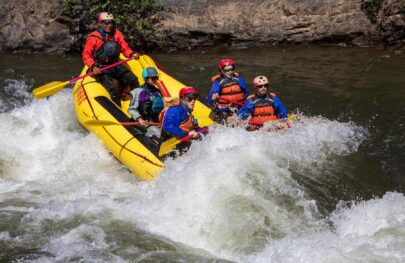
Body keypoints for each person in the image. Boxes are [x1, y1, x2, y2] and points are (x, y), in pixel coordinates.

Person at [82, 12, 140, 106]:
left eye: (111, 23)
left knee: (134, 80)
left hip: (115, 64)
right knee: (113, 89)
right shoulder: (93, 37)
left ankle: (136, 106)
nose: (110, 25)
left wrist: (131, 54)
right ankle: (118, 111)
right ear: (100, 23)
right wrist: (93, 67)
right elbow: (86, 55)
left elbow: (124, 47)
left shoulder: (117, 34)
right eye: (106, 23)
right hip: (101, 67)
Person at [161, 86, 205, 154]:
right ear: (182, 99)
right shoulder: (175, 110)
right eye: (190, 98)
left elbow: (196, 129)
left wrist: (209, 129)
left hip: (183, 146)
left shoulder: (191, 115)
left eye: (194, 98)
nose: (193, 101)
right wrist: (186, 134)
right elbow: (167, 126)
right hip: (172, 149)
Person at [206, 58, 249, 123]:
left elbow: (247, 94)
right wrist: (213, 98)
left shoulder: (239, 79)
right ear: (222, 70)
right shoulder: (218, 82)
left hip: (240, 107)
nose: (230, 72)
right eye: (227, 70)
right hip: (225, 109)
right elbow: (209, 100)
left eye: (232, 69)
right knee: (231, 122)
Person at [128, 67, 164, 139]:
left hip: (154, 121)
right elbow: (131, 109)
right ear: (146, 79)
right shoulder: (138, 91)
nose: (156, 80)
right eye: (153, 78)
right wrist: (139, 119)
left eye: (156, 77)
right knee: (159, 134)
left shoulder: (157, 91)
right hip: (142, 122)